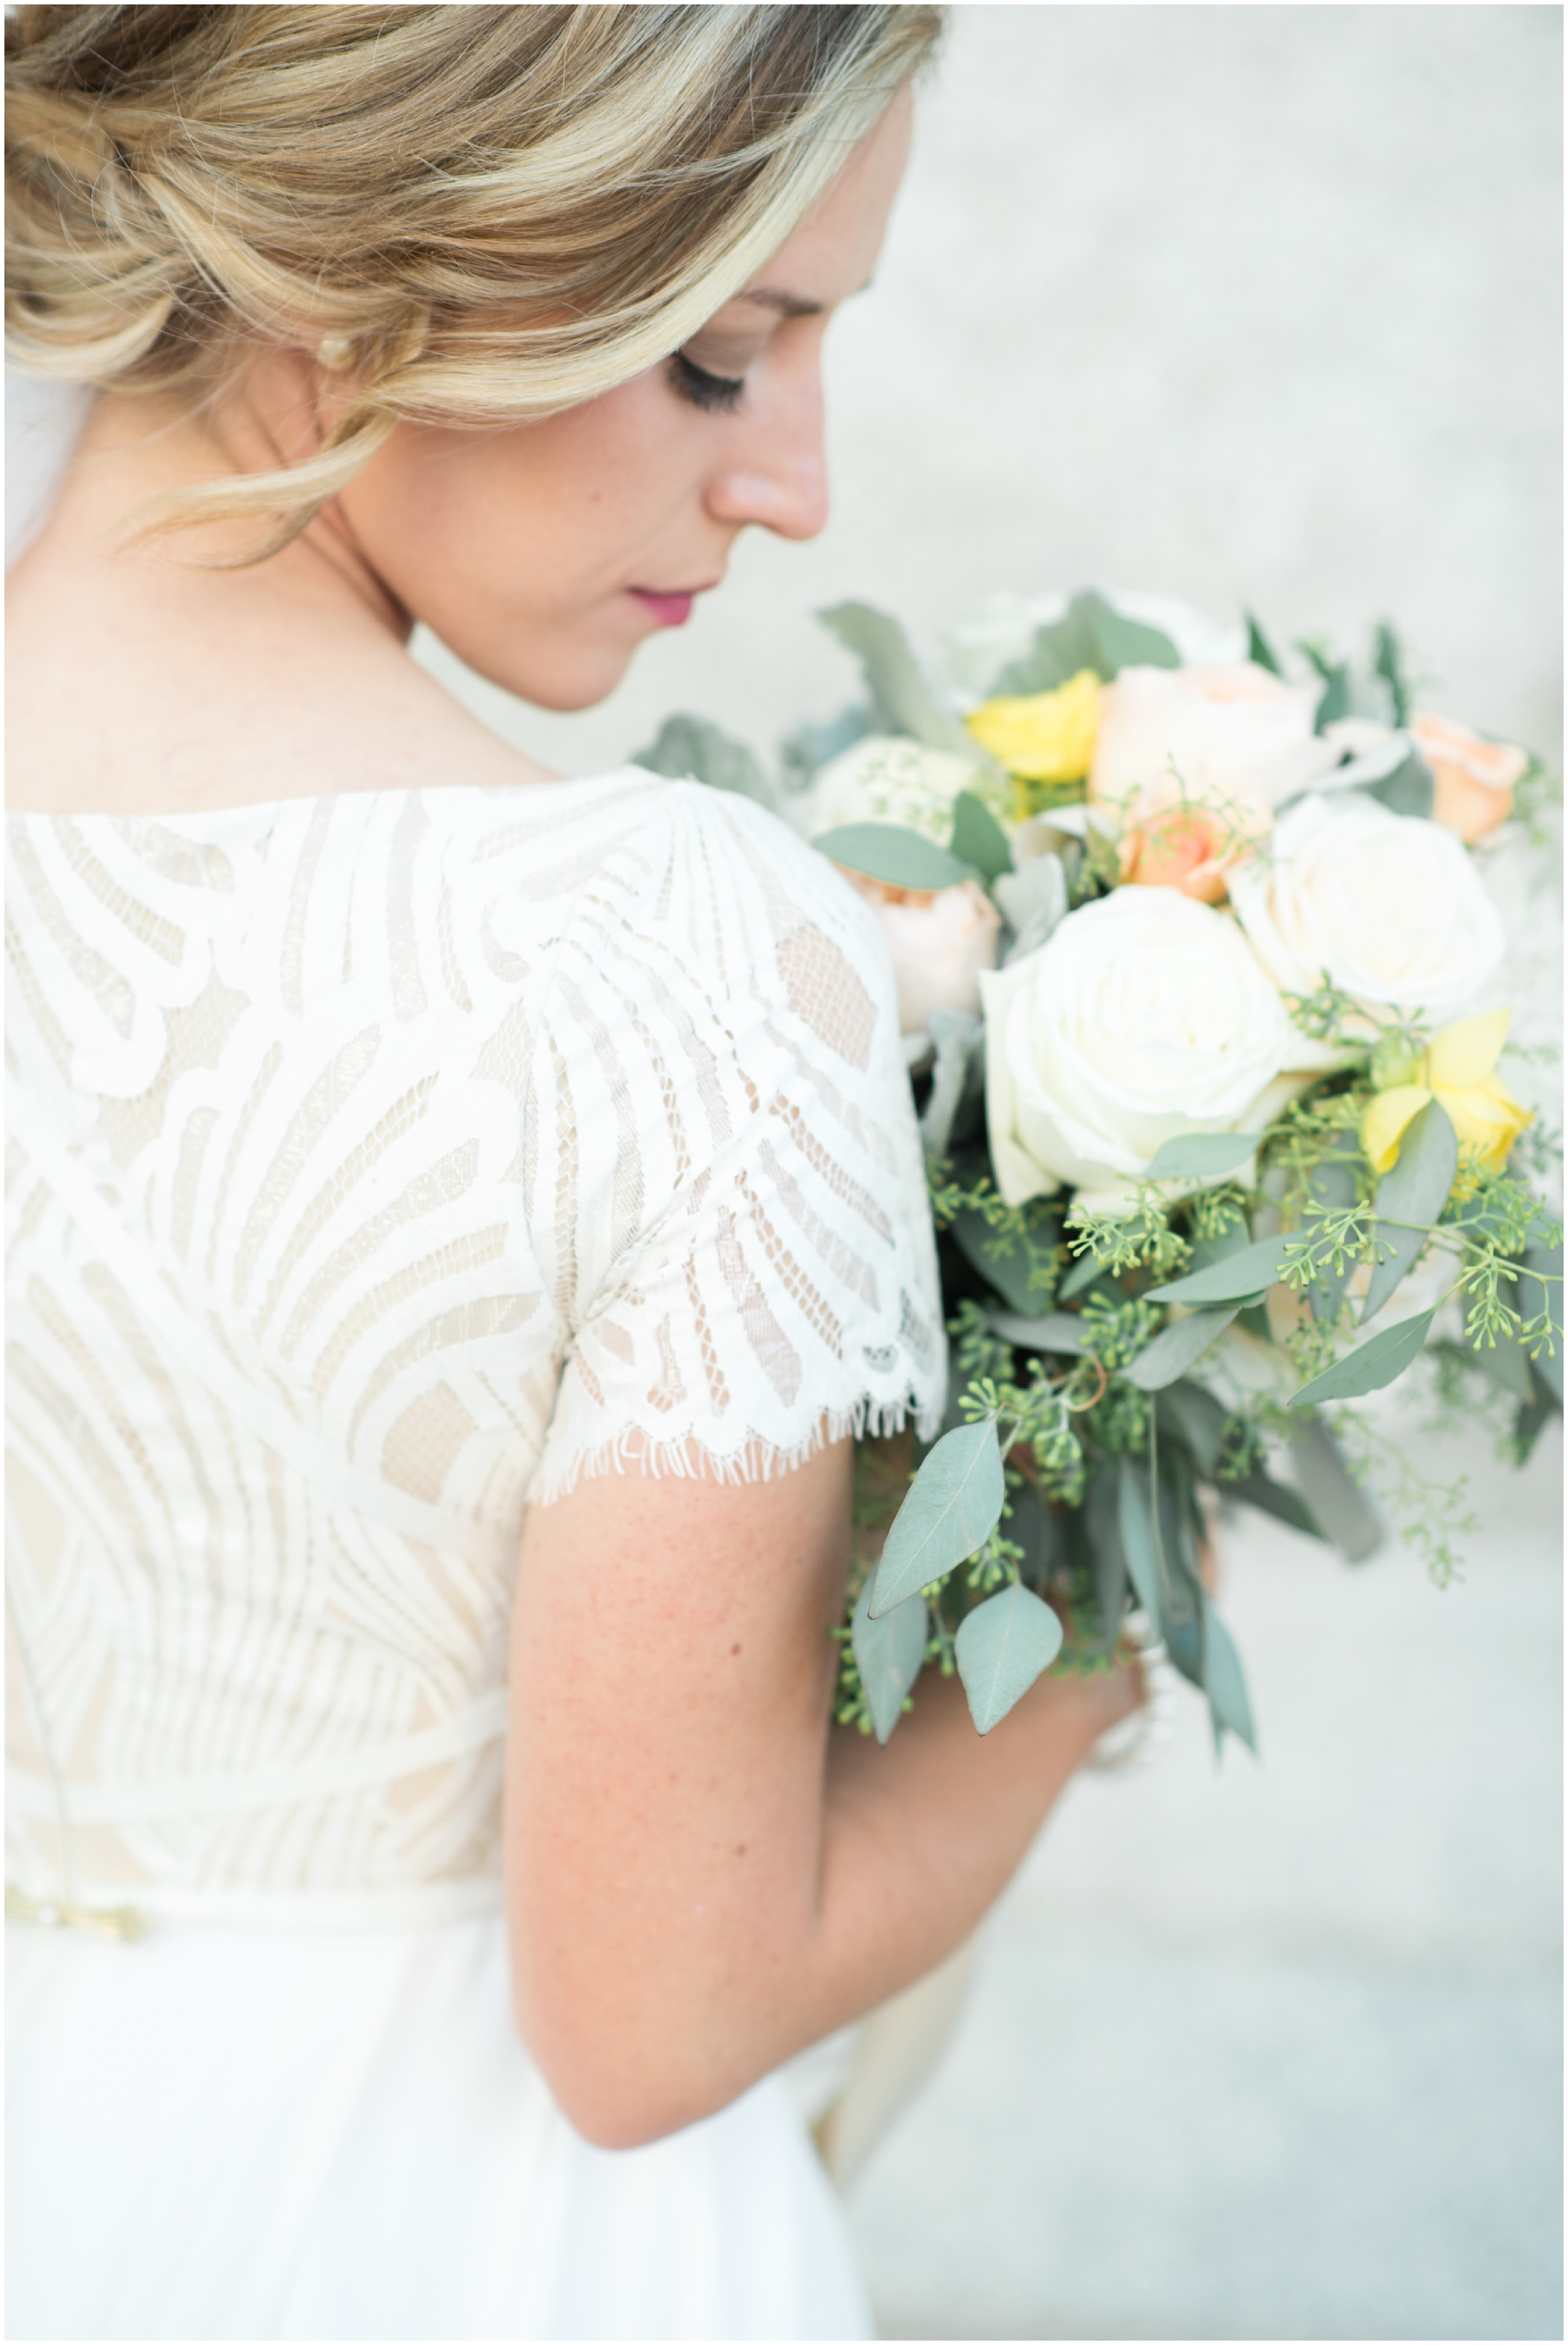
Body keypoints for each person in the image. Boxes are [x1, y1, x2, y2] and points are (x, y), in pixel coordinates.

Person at [5, 7, 1138, 2336]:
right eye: (726, 358)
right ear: (363, 268)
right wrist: (1104, 1627)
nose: (794, 484)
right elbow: (649, 2020)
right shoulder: (676, 963)